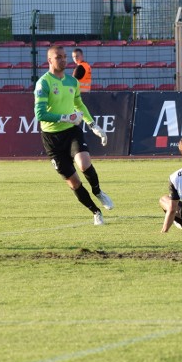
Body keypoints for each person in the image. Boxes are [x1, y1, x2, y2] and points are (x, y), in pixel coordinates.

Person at [35, 45, 112, 226]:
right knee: (74, 182)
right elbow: (40, 114)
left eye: (64, 57)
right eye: (58, 57)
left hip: (71, 131)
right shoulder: (43, 83)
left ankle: (98, 191)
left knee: (84, 163)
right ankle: (96, 212)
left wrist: (93, 125)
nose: (63, 60)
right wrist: (64, 117)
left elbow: (79, 105)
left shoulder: (72, 82)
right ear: (49, 60)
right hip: (52, 138)